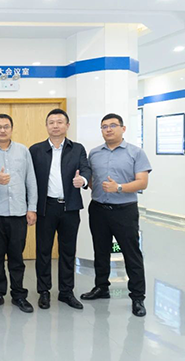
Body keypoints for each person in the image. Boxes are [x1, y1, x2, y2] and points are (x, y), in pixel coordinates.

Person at [81, 113, 151, 317]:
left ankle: (137, 297)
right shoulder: (94, 153)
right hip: (98, 209)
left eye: (113, 125)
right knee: (100, 251)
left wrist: (118, 187)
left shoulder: (136, 152)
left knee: (131, 254)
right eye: (104, 126)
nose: (108, 129)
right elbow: (91, 179)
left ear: (123, 128)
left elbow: (142, 182)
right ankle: (101, 287)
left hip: (125, 210)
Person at [29, 109, 92, 310]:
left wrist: (83, 180)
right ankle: (44, 291)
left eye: (59, 122)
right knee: (43, 251)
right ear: (46, 126)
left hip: (69, 207)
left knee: (68, 251)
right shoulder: (36, 150)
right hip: (45, 208)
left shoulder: (77, 149)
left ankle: (66, 292)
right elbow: (29, 179)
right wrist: (30, 207)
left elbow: (86, 169)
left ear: (67, 125)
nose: (55, 125)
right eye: (51, 122)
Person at [0, 113, 37, 313]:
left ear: (11, 129)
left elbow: (31, 181)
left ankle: (19, 295)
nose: (2, 130)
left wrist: (32, 208)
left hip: (19, 213)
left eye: (6, 126)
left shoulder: (23, 151)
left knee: (16, 257)